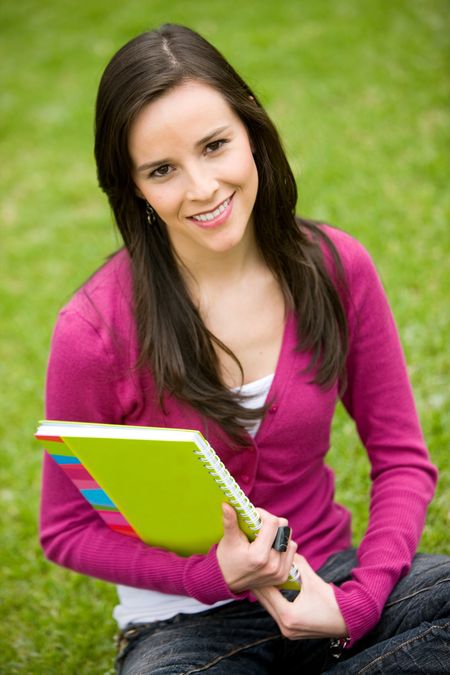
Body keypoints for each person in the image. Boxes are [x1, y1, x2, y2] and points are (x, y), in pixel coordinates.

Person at [39, 24, 449, 674]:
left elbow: (402, 459)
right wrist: (214, 571)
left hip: (326, 576)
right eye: (163, 169)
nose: (202, 187)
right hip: (187, 621)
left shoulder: (336, 269)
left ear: (252, 131)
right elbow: (64, 530)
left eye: (215, 145)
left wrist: (357, 603)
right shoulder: (95, 330)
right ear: (135, 188)